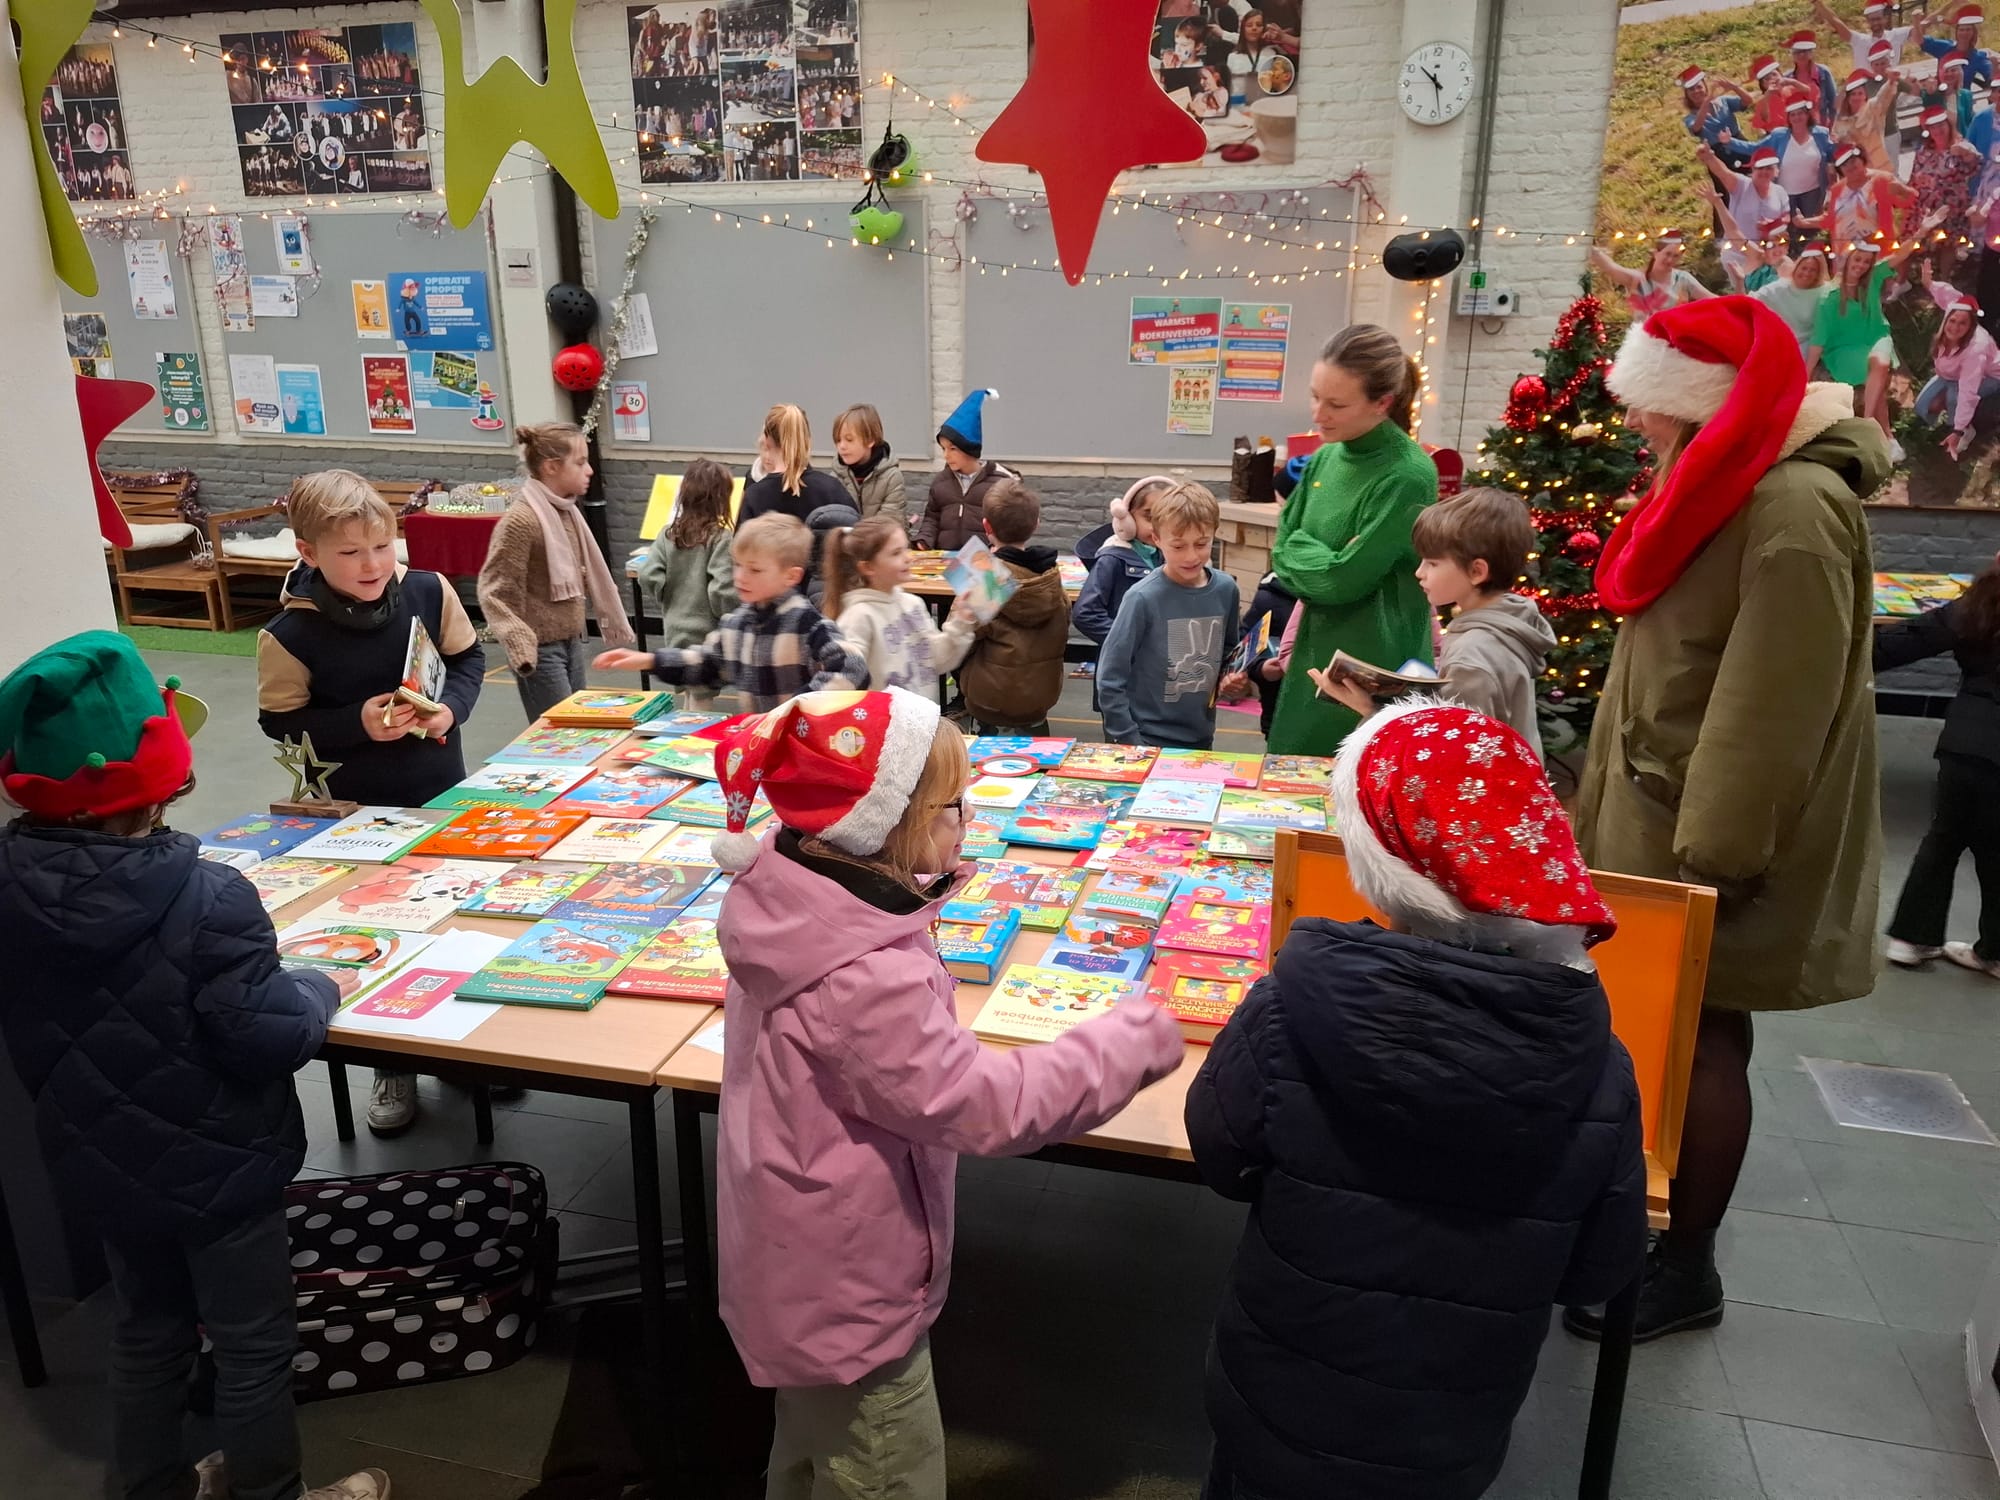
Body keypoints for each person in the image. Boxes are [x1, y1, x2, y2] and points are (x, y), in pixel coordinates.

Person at [704, 687, 1184, 1497]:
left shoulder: (798, 895)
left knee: (809, 1444)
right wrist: (1128, 1041)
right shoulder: (864, 973)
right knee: (883, 1465)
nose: (969, 821)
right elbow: (982, 1105)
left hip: (796, 1258)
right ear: (890, 821)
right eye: (956, 804)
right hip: (851, 1291)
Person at [1190, 699, 1644, 1500]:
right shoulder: (1598, 1066)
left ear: (1379, 861)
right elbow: (1599, 1269)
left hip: (1279, 1401)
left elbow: (1221, 1152)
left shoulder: (1291, 1008)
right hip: (1449, 1434)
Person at [0, 632, 386, 1500]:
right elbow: (270, 1036)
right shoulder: (209, 896)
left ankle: (150, 1487)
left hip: (97, 1163)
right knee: (252, 1345)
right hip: (222, 1168)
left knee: (146, 1330)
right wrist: (319, 988)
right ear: (167, 776)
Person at [1570, 296, 1884, 1342]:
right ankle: (1640, 1228)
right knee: (1660, 1036)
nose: (1635, 429)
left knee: (1702, 1042)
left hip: (1701, 838)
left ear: (1698, 402)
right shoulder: (1721, 478)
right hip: (1656, 811)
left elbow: (1771, 706)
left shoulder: (1790, 506)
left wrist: (1713, 857)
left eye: (1649, 409)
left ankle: (1682, 1262)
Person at [258, 471, 483, 1140]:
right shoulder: (287, 635)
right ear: (308, 552)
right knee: (381, 934)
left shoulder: (427, 590)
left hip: (443, 789)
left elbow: (467, 662)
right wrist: (356, 721)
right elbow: (281, 724)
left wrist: (451, 709)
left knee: (456, 918)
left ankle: (461, 1054)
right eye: (350, 553)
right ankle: (392, 1061)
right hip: (355, 813)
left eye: (382, 547)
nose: (372, 565)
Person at [1266, 325, 1438, 755]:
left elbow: (1344, 580)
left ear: (1382, 404)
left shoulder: (1408, 475)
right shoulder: (1325, 455)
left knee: (1363, 789)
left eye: (1336, 404)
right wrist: (1322, 557)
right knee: (1293, 789)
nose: (1317, 414)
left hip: (1376, 659)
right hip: (1314, 654)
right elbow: (1281, 551)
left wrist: (1307, 552)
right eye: (1315, 396)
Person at [1312, 487, 1557, 760]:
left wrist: (1371, 711)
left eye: (1432, 563)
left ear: (1477, 571)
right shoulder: (1505, 626)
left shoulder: (1472, 656)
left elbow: (1453, 758)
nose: (1419, 572)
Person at [593, 512, 869, 711]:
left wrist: (792, 711)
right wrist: (648, 660)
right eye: (737, 565)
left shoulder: (808, 624)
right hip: (759, 746)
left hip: (804, 750)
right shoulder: (736, 624)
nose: (741, 577)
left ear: (791, 576)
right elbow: (705, 664)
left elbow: (852, 668)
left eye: (755, 569)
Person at [1876, 558, 2000, 976]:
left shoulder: (1979, 603)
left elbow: (1906, 641)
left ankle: (1911, 939)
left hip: (1964, 743)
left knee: (1945, 837)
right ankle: (1993, 950)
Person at [478, 422, 637, 721]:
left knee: (577, 727)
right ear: (551, 467)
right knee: (560, 730)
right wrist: (519, 643)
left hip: (570, 641)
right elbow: (494, 591)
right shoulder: (521, 522)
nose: (589, 470)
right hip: (538, 650)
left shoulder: (566, 511)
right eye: (580, 462)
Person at [1097, 480, 1240, 750]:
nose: (1191, 556)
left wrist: (1233, 679)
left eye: (1201, 544)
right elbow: (1109, 677)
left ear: (1214, 535)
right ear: (1157, 539)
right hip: (1146, 740)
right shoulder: (1142, 598)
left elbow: (1229, 652)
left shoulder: (1226, 589)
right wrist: (1129, 739)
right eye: (1178, 546)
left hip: (1200, 737)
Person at [958, 480, 1071, 736]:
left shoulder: (985, 578)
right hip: (1038, 701)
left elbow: (962, 635)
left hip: (989, 703)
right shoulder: (1050, 577)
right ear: (1036, 524)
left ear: (986, 526)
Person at [825, 515, 975, 702]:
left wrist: (961, 622)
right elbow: (842, 684)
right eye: (896, 553)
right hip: (883, 727)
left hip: (922, 722)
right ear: (868, 567)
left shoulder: (913, 604)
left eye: (906, 548)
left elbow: (937, 660)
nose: (908, 558)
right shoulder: (858, 617)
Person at [634, 456, 739, 705]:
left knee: (689, 688)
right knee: (702, 696)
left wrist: (669, 596)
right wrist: (731, 617)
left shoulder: (668, 534)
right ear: (720, 499)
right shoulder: (721, 538)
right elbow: (722, 589)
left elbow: (647, 574)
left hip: (674, 627)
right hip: (705, 631)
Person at [1805, 239, 1926, 455]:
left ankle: (1867, 421)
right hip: (1843, 349)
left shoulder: (1872, 279)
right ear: (1848, 260)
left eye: (1866, 262)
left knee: (1879, 362)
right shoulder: (1829, 296)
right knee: (1875, 374)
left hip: (1876, 337)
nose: (1861, 265)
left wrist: (1922, 232)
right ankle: (1886, 434)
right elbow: (1818, 341)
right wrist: (1805, 376)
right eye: (1857, 259)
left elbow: (1899, 255)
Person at [1073, 476, 1168, 650]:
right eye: (1149, 517)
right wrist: (1129, 642)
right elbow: (1085, 613)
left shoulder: (1167, 555)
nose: (1157, 526)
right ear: (1127, 519)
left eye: (1166, 518)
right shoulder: (1112, 559)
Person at [917, 388, 1017, 552]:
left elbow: (1005, 525)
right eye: (943, 449)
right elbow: (932, 518)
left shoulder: (998, 484)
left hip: (982, 562)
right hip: (945, 561)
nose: (946, 455)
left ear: (969, 449)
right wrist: (924, 539)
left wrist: (999, 547)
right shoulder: (941, 482)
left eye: (953, 449)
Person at [1915, 263, 2000, 454]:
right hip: (1950, 374)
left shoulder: (1975, 350)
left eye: (1962, 324)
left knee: (1957, 396)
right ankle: (1953, 412)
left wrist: (1957, 429)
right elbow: (1948, 295)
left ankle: (1964, 430)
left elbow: (1968, 392)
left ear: (1971, 325)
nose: (1955, 327)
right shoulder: (1956, 309)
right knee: (1924, 407)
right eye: (1952, 321)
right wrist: (1929, 283)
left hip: (1991, 376)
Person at [739, 403, 851, 525]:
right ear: (807, 441)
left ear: (766, 441)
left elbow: (741, 543)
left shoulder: (755, 496)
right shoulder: (832, 489)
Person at [1908, 104, 1983, 279]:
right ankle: (1925, 279)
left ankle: (1944, 279)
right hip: (1926, 208)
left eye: (1941, 125)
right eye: (1933, 127)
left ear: (1949, 125)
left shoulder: (1960, 147)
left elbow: (1975, 166)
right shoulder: (1923, 151)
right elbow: (1913, 178)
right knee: (1925, 244)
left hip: (1952, 209)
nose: (1938, 130)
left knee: (1948, 245)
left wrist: (1966, 153)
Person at [1587, 231, 1715, 324]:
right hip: (1644, 341)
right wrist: (1587, 245)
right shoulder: (1638, 279)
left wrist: (1736, 280)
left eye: (1675, 256)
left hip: (1675, 341)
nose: (1670, 259)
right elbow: (1611, 267)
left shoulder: (1683, 279)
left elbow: (1713, 300)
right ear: (1656, 253)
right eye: (1667, 254)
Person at [828, 402, 911, 527]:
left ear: (870, 440)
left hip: (882, 544)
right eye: (838, 440)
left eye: (849, 439)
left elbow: (889, 525)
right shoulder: (834, 478)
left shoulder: (891, 478)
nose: (842, 446)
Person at [1754, 237, 1835, 348]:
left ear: (1818, 273)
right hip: (1778, 343)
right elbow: (1749, 300)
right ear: (1797, 267)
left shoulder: (1826, 291)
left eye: (1812, 270)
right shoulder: (1779, 287)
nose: (1807, 273)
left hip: (1808, 345)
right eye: (1804, 268)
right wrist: (1739, 282)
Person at [1769, 95, 1836, 228]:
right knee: (1786, 230)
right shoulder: (1779, 136)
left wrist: (1845, 143)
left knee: (1810, 229)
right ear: (1788, 118)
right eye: (1793, 115)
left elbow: (1833, 154)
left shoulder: (1821, 134)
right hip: (1785, 192)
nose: (1797, 118)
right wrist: (1730, 142)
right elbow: (1755, 148)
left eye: (1800, 114)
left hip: (1813, 192)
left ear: (1808, 115)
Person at [1677, 63, 1755, 169]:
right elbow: (1696, 127)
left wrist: (1733, 87)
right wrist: (1707, 101)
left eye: (1699, 87)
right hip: (1720, 157)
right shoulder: (1690, 118)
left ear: (1705, 87)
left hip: (1740, 145)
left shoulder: (1723, 101)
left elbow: (1748, 101)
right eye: (1691, 89)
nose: (1696, 91)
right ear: (1687, 95)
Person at [1832, 64, 1901, 172]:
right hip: (1858, 171)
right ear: (1848, 98)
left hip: (1882, 167)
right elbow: (1837, 142)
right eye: (1853, 94)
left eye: (1860, 93)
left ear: (1865, 95)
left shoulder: (1872, 108)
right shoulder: (1841, 121)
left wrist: (1891, 82)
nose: (1857, 97)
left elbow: (1882, 97)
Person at [1816, 0, 1915, 71]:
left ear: (1885, 18)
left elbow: (1922, 27)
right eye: (1872, 20)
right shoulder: (1860, 40)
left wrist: (1918, 19)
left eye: (1878, 18)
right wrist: (1817, 2)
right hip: (1865, 91)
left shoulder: (1896, 35)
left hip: (1890, 86)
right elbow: (1835, 22)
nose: (1876, 22)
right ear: (1868, 21)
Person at [1919, 1, 1995, 86]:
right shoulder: (1944, 47)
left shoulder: (1978, 57)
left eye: (1968, 30)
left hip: (1963, 97)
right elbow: (1919, 35)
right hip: (1941, 95)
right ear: (1956, 32)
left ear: (1974, 33)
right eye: (1961, 30)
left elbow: (1992, 76)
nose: (1964, 33)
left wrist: (1994, 64)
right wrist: (1947, 7)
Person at [1786, 27, 1840, 124]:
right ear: (1792, 55)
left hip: (1822, 124)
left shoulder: (1823, 72)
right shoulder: (1787, 77)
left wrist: (1832, 127)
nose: (1801, 55)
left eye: (1805, 51)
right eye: (1797, 52)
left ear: (1811, 53)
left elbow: (1833, 102)